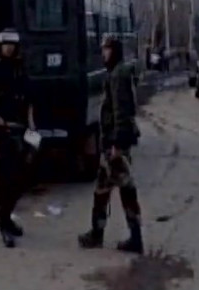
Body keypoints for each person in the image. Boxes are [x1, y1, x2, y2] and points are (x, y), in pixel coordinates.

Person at [78, 34, 144, 254]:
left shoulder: (118, 75)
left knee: (122, 190)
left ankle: (129, 237)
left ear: (114, 50)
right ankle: (101, 233)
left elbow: (121, 111)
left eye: (107, 49)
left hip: (115, 145)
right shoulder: (117, 73)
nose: (103, 53)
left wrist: (116, 143)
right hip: (114, 143)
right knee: (107, 190)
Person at [0, 28, 36, 248]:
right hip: (0, 131)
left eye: (12, 45)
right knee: (4, 180)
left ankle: (8, 219)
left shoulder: (20, 68)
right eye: (5, 44)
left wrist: (32, 126)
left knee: (23, 177)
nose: (9, 48)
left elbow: (30, 99)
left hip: (21, 128)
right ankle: (4, 225)